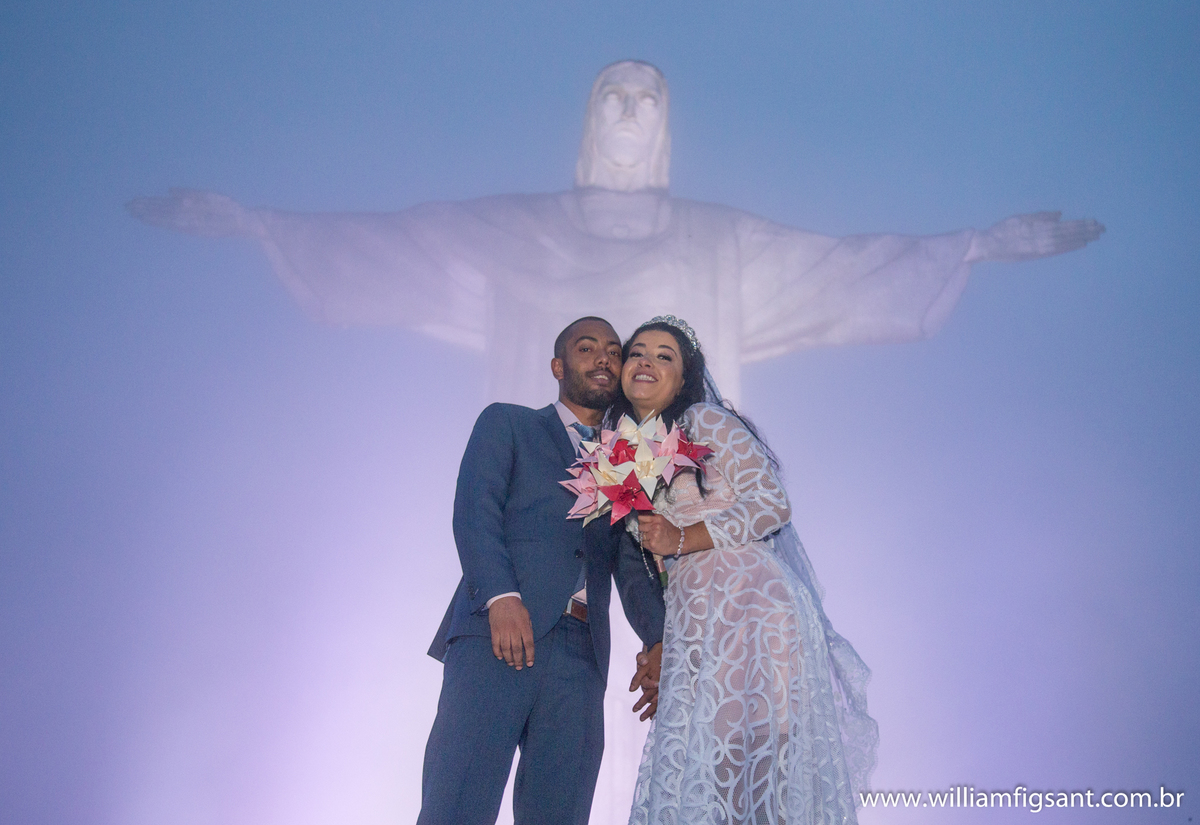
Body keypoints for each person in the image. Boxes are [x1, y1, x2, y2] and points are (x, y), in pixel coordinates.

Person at [127, 60, 1104, 407]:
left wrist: (975, 244)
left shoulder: (719, 240)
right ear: (592, 122)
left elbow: (841, 271)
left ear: (665, 129)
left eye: (648, 99)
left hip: (679, 501)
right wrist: (255, 223)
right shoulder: (518, 229)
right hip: (546, 502)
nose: (632, 111)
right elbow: (394, 247)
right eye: (616, 97)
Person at [613, 315, 875, 825]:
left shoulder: (703, 423)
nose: (646, 360)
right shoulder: (622, 456)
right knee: (708, 774)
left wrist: (683, 538)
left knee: (757, 766)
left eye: (664, 355)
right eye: (638, 351)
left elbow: (773, 504)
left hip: (752, 605)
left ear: (684, 377)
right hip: (694, 617)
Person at [418, 316, 667, 825]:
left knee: (561, 813)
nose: (603, 358)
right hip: (498, 634)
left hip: (581, 654)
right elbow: (475, 510)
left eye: (613, 351)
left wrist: (661, 640)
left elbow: (629, 562)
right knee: (457, 804)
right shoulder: (508, 422)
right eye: (586, 347)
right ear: (558, 366)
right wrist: (502, 598)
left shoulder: (624, 464)